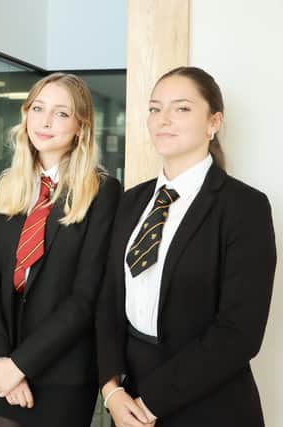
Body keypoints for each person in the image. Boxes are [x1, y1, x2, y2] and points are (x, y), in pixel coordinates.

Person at [97, 66, 277, 427]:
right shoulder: (130, 202)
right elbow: (109, 301)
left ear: (214, 123)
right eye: (154, 108)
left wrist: (151, 404)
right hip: (127, 400)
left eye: (181, 108)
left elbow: (239, 332)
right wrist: (111, 390)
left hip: (209, 404)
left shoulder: (245, 207)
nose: (163, 119)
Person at [0, 72, 121, 427]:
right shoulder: (6, 188)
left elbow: (86, 297)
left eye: (61, 113)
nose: (45, 121)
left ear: (81, 126)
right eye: (38, 108)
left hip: (63, 371)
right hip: (2, 365)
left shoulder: (102, 192)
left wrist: (21, 365)